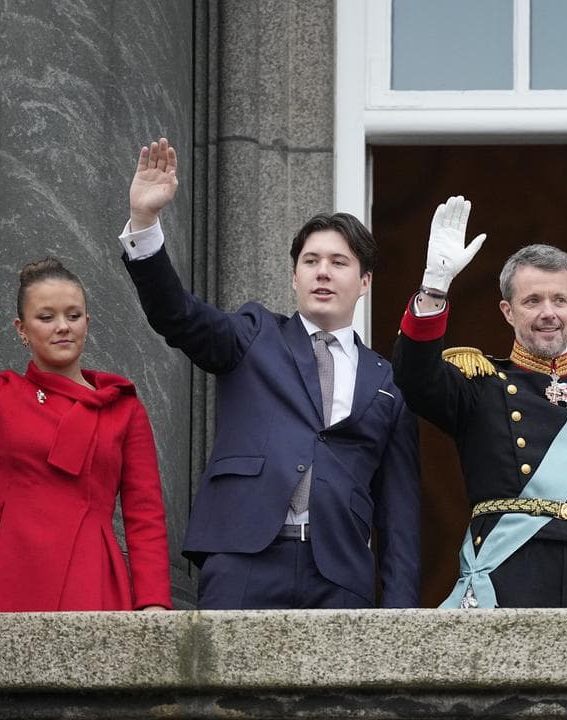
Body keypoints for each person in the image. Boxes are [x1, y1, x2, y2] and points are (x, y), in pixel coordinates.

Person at [119, 138, 420, 609]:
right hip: (243, 557)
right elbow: (176, 315)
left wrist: (402, 616)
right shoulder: (254, 335)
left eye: (339, 263)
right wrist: (145, 223)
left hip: (339, 575)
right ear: (293, 277)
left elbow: (400, 514)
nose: (323, 272)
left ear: (364, 282)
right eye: (311, 262)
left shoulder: (385, 382)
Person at [0, 186, 171, 611]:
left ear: (87, 322)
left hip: (91, 576)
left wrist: (153, 605)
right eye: (46, 317)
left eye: (73, 315)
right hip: (3, 570)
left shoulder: (123, 408)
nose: (62, 326)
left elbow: (145, 515)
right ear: (21, 329)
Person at [392, 196, 567, 608]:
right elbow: (415, 378)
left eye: (559, 301)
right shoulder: (481, 383)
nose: (548, 313)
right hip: (508, 578)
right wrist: (434, 289)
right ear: (507, 311)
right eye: (532, 301)